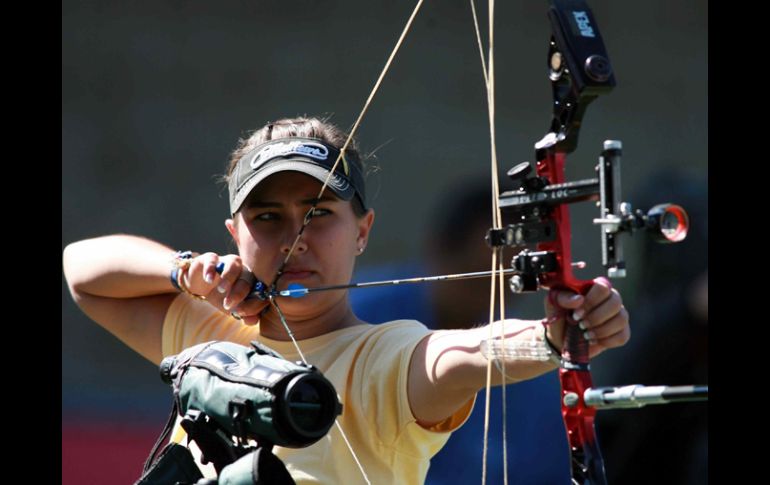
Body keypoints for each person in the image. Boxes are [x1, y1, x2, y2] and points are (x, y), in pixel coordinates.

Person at [62, 116, 630, 484]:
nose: (295, 238)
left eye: (319, 214)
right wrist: (185, 270)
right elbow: (81, 271)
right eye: (267, 217)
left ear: (363, 230)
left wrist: (553, 337)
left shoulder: (380, 359)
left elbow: (458, 357)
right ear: (234, 234)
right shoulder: (209, 331)